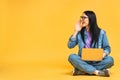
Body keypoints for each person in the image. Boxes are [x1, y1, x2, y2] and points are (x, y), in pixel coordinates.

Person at [68, 10, 114, 77]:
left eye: (84, 17)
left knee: (110, 60)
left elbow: (107, 48)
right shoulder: (79, 33)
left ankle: (82, 71)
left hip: (97, 61)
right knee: (71, 57)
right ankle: (96, 72)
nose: (82, 19)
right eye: (81, 17)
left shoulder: (101, 33)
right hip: (83, 60)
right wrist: (76, 31)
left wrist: (103, 54)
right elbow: (70, 46)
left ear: (91, 19)